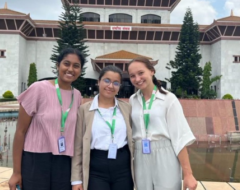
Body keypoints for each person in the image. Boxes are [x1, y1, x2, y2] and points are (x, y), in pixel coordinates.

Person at [8, 48, 85, 190]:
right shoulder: (38, 89)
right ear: (57, 65)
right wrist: (16, 172)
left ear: (80, 70)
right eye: (66, 64)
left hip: (64, 161)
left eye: (76, 66)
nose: (70, 69)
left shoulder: (77, 95)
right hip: (36, 159)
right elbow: (20, 131)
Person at [128, 57, 197, 190]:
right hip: (140, 154)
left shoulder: (168, 99)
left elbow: (179, 138)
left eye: (141, 73)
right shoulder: (133, 100)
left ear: (152, 71)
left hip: (165, 153)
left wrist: (188, 174)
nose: (137, 79)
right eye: (132, 76)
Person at [71, 65, 134, 190]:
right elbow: (78, 146)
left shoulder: (126, 108)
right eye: (106, 80)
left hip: (123, 167)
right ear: (98, 82)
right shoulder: (84, 110)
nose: (110, 86)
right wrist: (76, 180)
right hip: (96, 168)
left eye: (116, 83)